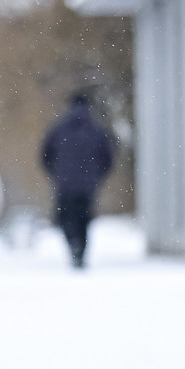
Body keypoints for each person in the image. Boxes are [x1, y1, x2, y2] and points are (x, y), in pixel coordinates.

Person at [40, 92, 115, 267]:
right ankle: (80, 249)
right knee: (83, 219)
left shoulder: (58, 129)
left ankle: (73, 244)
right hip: (87, 185)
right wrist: (97, 176)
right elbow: (108, 158)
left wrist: (56, 173)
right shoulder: (96, 130)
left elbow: (45, 155)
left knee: (67, 217)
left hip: (64, 184)